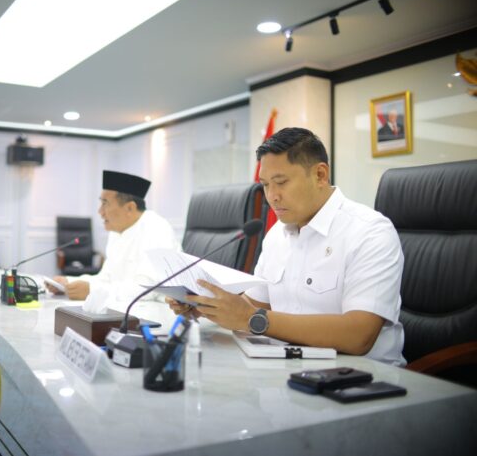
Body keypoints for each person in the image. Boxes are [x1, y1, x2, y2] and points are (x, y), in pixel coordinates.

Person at [169, 127, 405, 366]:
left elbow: (359, 336)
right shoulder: (276, 235)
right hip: (285, 367)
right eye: (265, 185)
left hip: (359, 376)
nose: (272, 196)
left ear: (320, 175)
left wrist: (252, 318)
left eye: (281, 182)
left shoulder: (369, 232)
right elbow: (254, 306)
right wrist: (205, 306)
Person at [46, 170, 180, 311]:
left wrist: (92, 290)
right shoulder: (117, 232)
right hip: (127, 308)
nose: (100, 212)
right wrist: (68, 283)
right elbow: (106, 279)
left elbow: (147, 289)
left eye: (105, 204)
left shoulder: (156, 228)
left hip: (162, 312)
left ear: (129, 208)